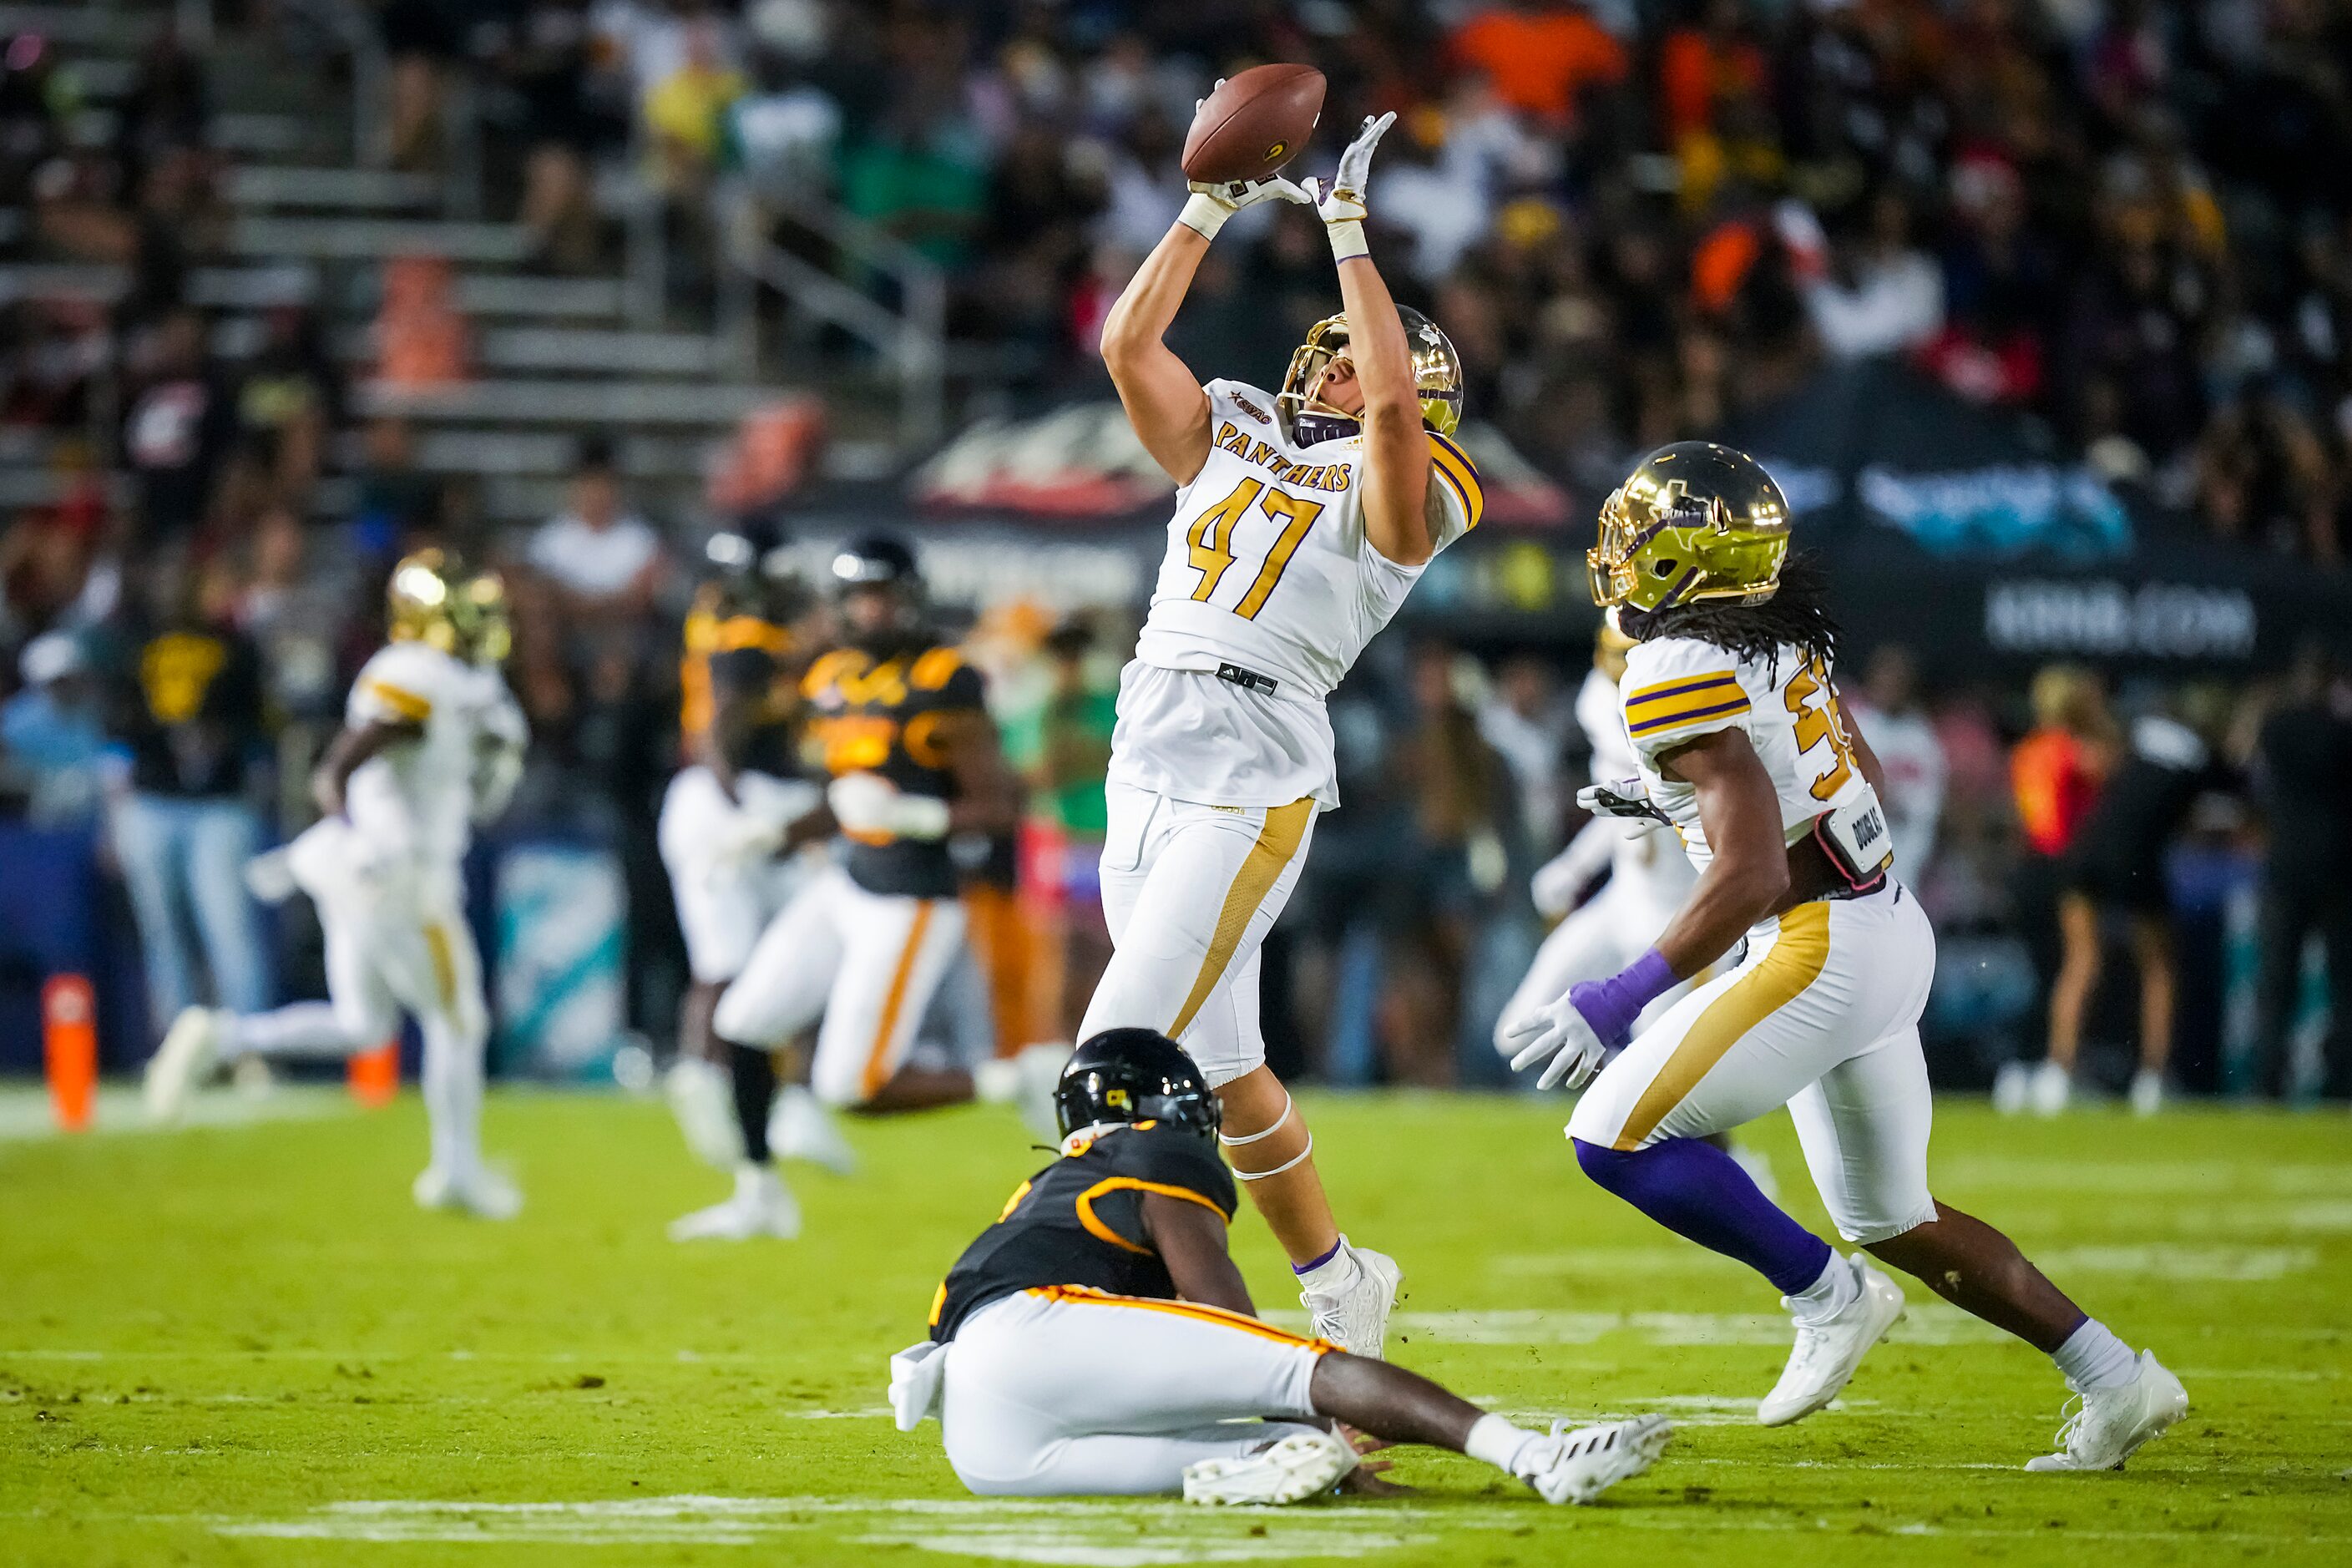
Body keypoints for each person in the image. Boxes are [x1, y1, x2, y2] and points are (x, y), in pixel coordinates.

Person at [1504, 443, 2186, 1470]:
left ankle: (1826, 1297)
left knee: (1610, 1137)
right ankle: (2116, 1378)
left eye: (1642, 533)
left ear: (1689, 558)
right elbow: (1851, 774)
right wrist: (1675, 797)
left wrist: (1620, 994)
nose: (1622, 546)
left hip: (1815, 941)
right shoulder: (1779, 632)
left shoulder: (1671, 661)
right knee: (1894, 1215)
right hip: (1883, 924)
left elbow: (1750, 881)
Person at [1085, 112, 1484, 1355]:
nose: (1322, 368)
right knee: (1223, 1056)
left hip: (1248, 765)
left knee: (1116, 1052)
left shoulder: (1423, 489)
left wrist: (1350, 237)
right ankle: (1337, 1278)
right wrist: (1209, 204)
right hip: (1144, 741)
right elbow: (1126, 340)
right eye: (1322, 354)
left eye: (1351, 360)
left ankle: (1069, 1305)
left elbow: (1396, 443)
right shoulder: (1237, 423)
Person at [891, 1027, 1672, 1505]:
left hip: (982, 1437)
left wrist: (1313, 1438)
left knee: (1288, 1455)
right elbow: (1222, 1313)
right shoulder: (1152, 1151)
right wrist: (1311, 1399)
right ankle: (1534, 1458)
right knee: (1298, 1377)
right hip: (1033, 1334)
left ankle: (1284, 1466)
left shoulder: (1048, 1185)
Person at [670, 534, 1062, 1243]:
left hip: (909, 899)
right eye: (859, 597)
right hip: (847, 882)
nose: (872, 611)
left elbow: (1000, 804)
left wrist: (920, 814)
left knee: (849, 1087)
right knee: (743, 1023)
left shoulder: (946, 676)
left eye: (883, 596)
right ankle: (758, 1193)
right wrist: (770, 836)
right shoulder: (832, 677)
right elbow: (844, 799)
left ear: (910, 600)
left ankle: (1015, 1080)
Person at [144, 552, 529, 1219]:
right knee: (459, 1020)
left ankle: (222, 1037)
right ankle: (455, 1173)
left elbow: (471, 778)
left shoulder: (468, 683)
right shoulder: (416, 678)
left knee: (363, 1027)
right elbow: (335, 770)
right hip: (399, 876)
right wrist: (361, 837)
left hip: (374, 872)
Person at [657, 523, 847, 1176]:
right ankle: (728, 1085)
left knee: (756, 960)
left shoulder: (718, 619)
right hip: (742, 800)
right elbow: (723, 727)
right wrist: (736, 807)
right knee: (764, 956)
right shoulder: (748, 637)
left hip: (731, 798)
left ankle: (753, 1091)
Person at [2038, 695, 2230, 1115]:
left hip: (2088, 851)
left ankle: (2056, 1075)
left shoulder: (2139, 736)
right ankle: (2153, 1081)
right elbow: (2203, 821)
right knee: (2160, 968)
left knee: (2082, 962)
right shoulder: (2205, 763)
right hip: (2138, 860)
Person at [109, 551, 274, 1039]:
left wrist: (223, 738)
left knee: (229, 929)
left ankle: (247, 1045)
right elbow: (119, 728)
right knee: (164, 936)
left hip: (219, 803)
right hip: (153, 799)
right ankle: (181, 1047)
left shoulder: (238, 647)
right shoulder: (140, 643)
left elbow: (261, 723)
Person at [1995, 665, 2112, 1114]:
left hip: (2029, 866)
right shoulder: (2072, 750)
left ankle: (2023, 1069)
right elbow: (2108, 768)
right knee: (2081, 965)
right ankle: (2058, 1069)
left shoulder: (2027, 750)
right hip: (2065, 865)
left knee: (2045, 972)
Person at [2249, 640, 2352, 1100]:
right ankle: (2340, 1081)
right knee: (2344, 982)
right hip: (2339, 865)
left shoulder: (2276, 727)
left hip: (2286, 865)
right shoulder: (2341, 732)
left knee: (2277, 980)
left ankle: (2270, 1079)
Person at [1844, 643, 1945, 889]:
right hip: (1852, 855)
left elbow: (1928, 806)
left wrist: (1891, 799)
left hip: (1906, 858)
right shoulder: (1854, 726)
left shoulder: (1922, 738)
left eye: (1898, 680)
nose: (1890, 686)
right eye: (1885, 678)